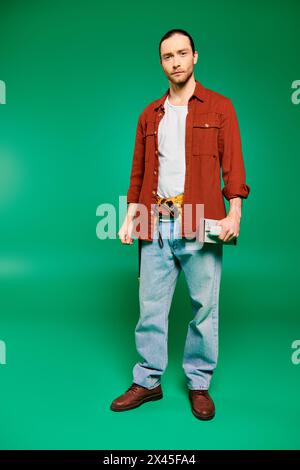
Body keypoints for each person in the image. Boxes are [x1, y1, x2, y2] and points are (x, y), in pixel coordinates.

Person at [110, 29, 250, 420]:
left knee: (205, 306)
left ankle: (199, 383)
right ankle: (148, 380)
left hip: (199, 219)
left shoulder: (220, 108)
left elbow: (233, 167)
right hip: (155, 220)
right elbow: (138, 174)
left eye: (182, 53)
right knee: (150, 306)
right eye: (168, 56)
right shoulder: (149, 115)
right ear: (162, 63)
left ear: (195, 57)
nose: (176, 61)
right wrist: (129, 218)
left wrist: (234, 213)